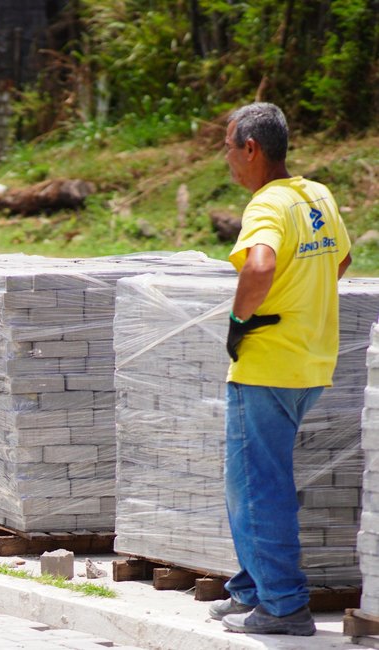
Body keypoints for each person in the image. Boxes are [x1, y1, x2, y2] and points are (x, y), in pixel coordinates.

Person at [207, 102, 352, 636]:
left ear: (251, 148)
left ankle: (284, 606)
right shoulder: (316, 195)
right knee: (255, 481)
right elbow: (339, 260)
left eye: (228, 148)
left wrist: (238, 320)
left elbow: (261, 265)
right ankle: (252, 588)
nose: (227, 160)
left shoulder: (267, 205)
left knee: (257, 485)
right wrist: (306, 301)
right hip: (311, 361)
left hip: (267, 365)